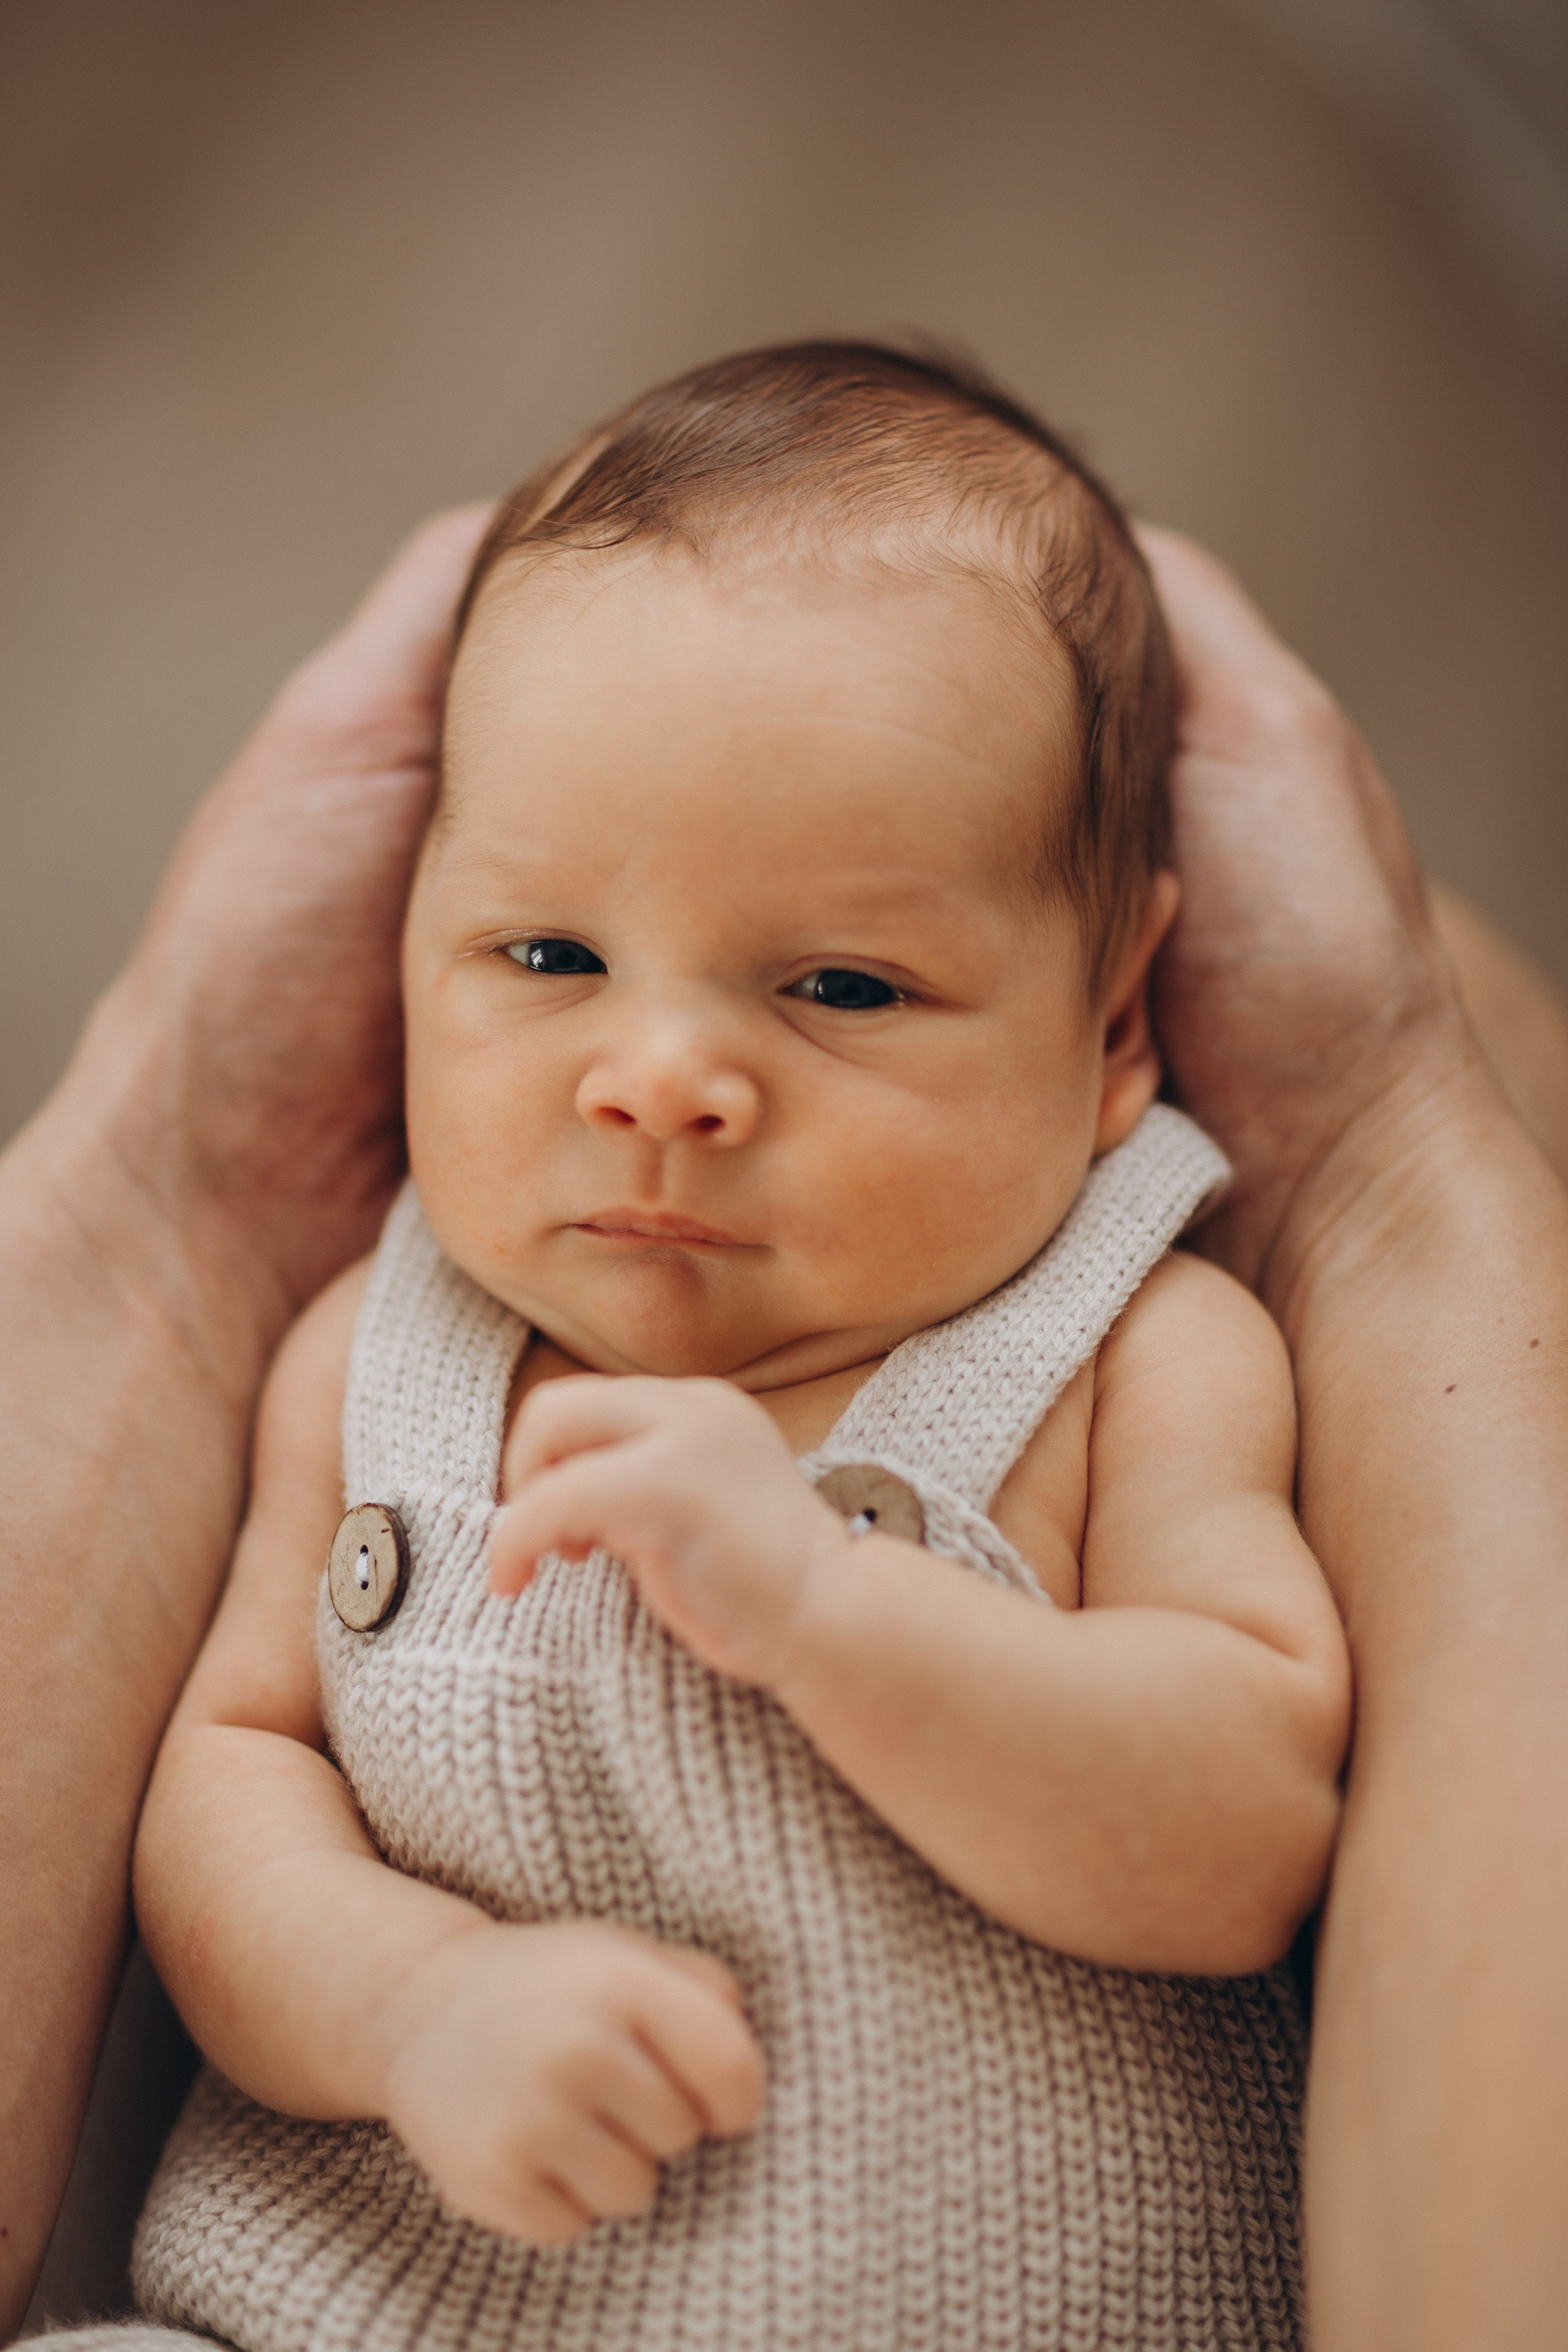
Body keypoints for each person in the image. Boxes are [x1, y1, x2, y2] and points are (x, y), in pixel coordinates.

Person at [2, 387, 1564, 2352]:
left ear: (1111, 1031)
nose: (656, 1082)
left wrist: (835, 1616)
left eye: (839, 987)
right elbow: (228, 1805)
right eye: (547, 955)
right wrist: (409, 2004)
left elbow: (1244, 1829)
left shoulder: (1130, 1352)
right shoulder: (366, 1357)